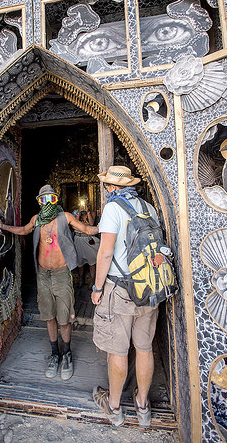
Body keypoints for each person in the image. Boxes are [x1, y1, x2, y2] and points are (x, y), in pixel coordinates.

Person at [0, 184, 98, 381]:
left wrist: (109, 226)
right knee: (49, 316)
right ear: (39, 202)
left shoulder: (65, 217)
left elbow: (86, 228)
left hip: (61, 274)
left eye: (51, 199)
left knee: (64, 318)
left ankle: (67, 354)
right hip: (43, 275)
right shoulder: (36, 220)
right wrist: (3, 227)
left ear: (56, 200)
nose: (47, 203)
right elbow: (23, 230)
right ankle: (55, 354)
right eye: (43, 199)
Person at [91, 165, 160, 427]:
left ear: (112, 187)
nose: (107, 189)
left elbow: (105, 252)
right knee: (144, 348)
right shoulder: (148, 207)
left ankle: (115, 407)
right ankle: (143, 407)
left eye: (108, 186)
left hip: (120, 289)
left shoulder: (113, 208)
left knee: (117, 351)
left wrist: (98, 289)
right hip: (148, 287)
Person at [72, 200, 99, 287]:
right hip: (78, 239)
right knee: (80, 263)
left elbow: (91, 223)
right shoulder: (75, 213)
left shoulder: (92, 213)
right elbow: (75, 224)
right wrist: (79, 212)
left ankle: (92, 282)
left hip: (87, 239)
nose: (83, 206)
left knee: (92, 262)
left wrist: (87, 212)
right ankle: (80, 281)